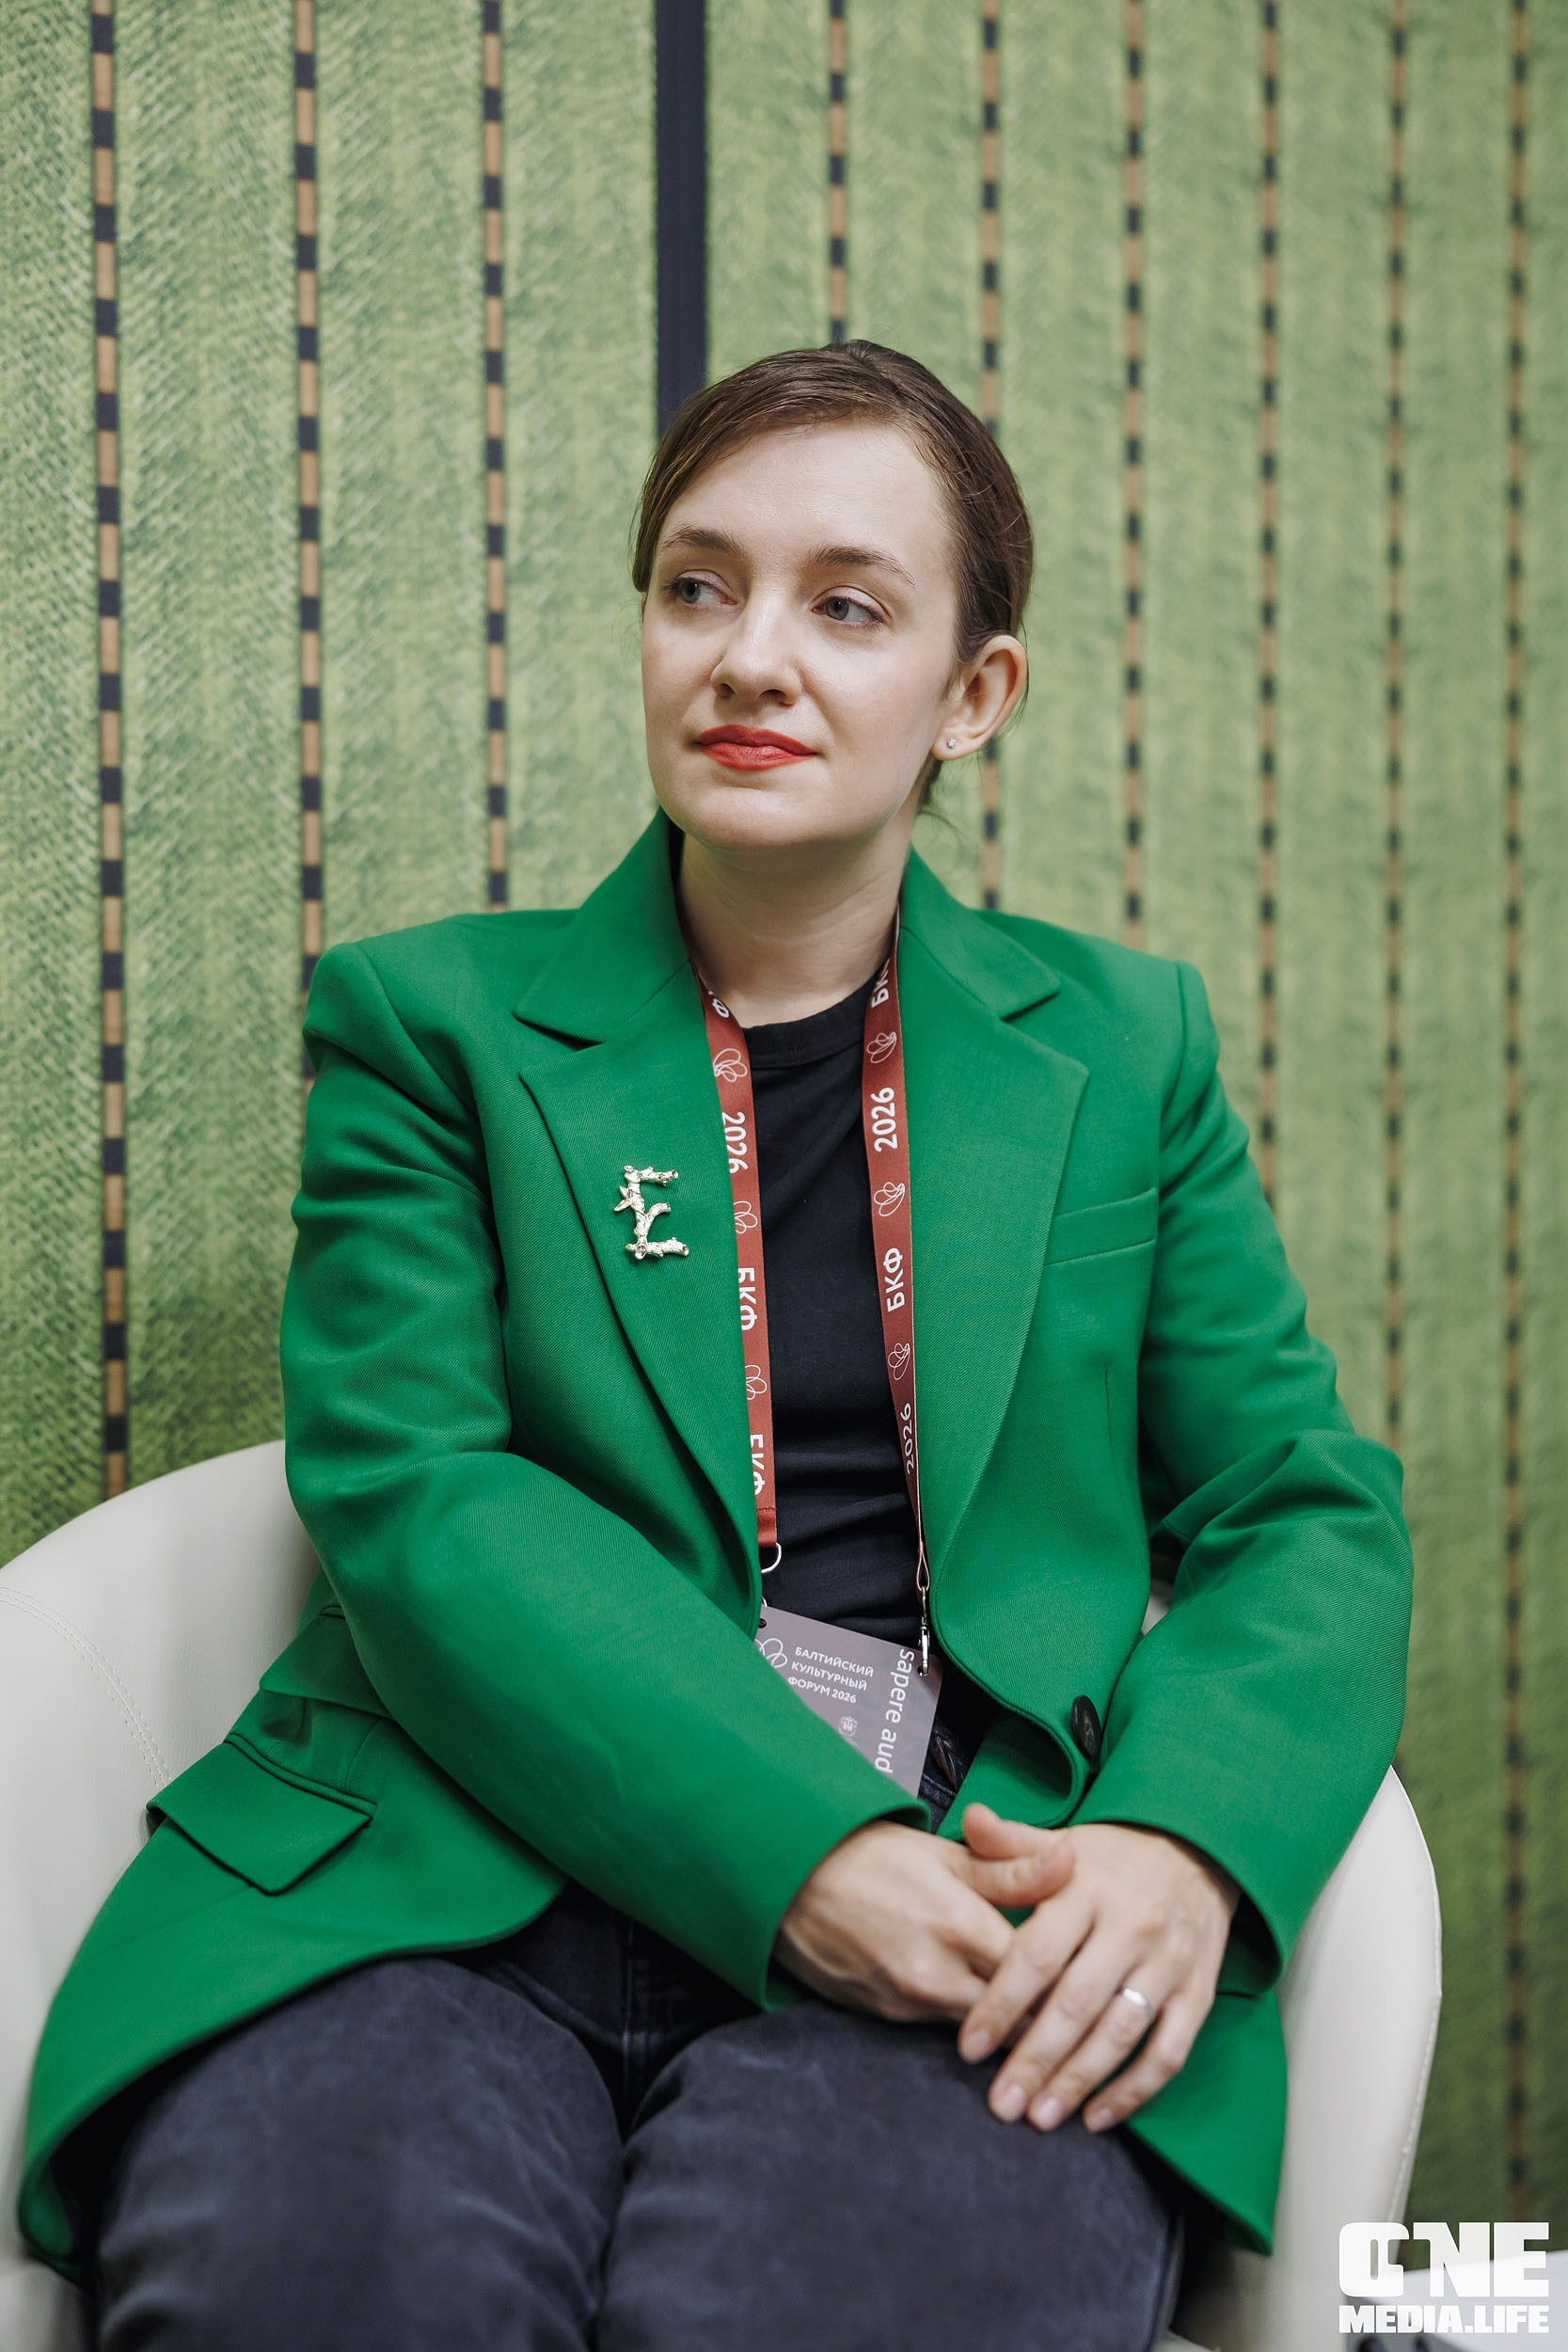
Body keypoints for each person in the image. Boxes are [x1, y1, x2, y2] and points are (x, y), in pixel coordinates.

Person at [18, 340, 1413, 2351]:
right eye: (700, 585)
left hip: (962, 1895)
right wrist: (799, 1847)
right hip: (444, 1873)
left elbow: (1303, 1506)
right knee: (326, 2293)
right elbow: (419, 1495)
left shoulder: (1125, 1051)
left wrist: (1184, 1842)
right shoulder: (432, 1025)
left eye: (846, 606)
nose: (751, 657)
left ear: (974, 695)